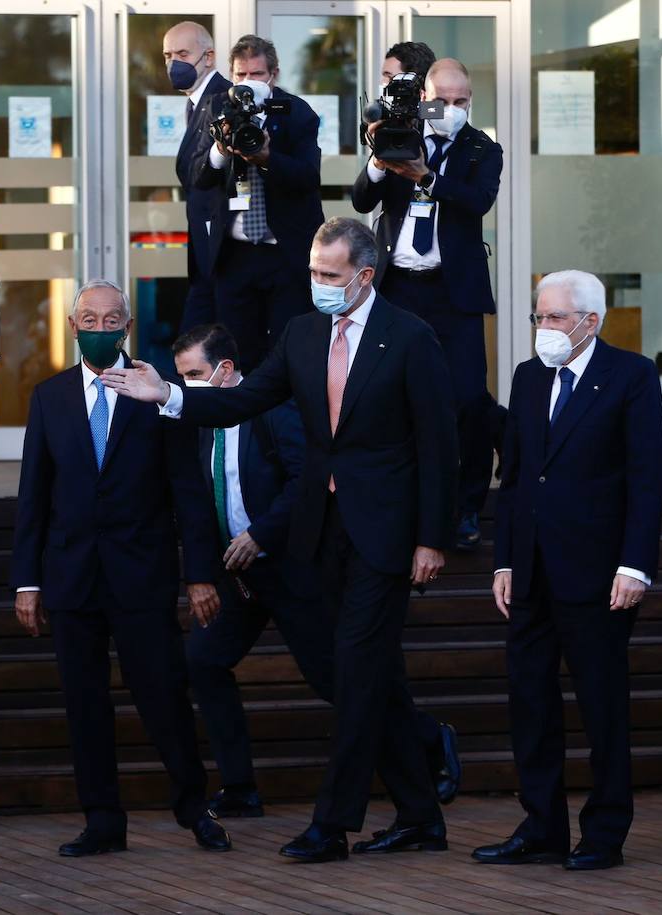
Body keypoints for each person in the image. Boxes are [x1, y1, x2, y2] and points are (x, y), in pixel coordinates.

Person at [104, 218, 458, 863]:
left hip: (385, 535)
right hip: (319, 535)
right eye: (313, 272)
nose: (317, 284)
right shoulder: (301, 332)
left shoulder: (409, 337)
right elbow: (246, 400)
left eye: (330, 275)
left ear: (364, 276)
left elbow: (440, 444)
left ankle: (333, 825)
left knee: (353, 675)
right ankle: (420, 814)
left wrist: (433, 538)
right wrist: (172, 397)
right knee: (371, 676)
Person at [173, 323, 462, 820]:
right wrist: (200, 573)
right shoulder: (197, 423)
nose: (186, 385)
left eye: (194, 374)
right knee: (202, 661)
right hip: (238, 577)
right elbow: (196, 500)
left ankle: (427, 738)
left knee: (337, 681)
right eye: (180, 376)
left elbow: (305, 480)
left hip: (290, 567)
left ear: (224, 370)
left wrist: (262, 534)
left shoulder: (270, 409)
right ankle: (240, 787)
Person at [10, 280, 232, 857]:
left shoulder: (157, 391)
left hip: (142, 575)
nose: (101, 328)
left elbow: (188, 490)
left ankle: (194, 807)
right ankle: (102, 820)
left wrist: (200, 572)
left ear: (127, 327)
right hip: (71, 579)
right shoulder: (49, 396)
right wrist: (26, 580)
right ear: (72, 325)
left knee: (164, 696)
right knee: (85, 705)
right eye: (90, 318)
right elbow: (34, 495)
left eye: (113, 320)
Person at [473, 271, 662, 872]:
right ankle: (542, 828)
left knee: (602, 708)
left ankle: (605, 832)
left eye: (555, 318)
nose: (544, 329)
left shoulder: (631, 376)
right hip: (530, 572)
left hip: (599, 574)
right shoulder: (529, 378)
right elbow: (515, 476)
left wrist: (635, 565)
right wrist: (504, 558)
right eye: (538, 317)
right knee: (530, 704)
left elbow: (647, 477)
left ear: (591, 321)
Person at [353, 58, 503, 552]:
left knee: (468, 401)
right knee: (395, 397)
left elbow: (477, 201)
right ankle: (405, 503)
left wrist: (427, 176)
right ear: (424, 98)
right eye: (446, 101)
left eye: (464, 102)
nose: (454, 111)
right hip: (400, 289)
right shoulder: (400, 133)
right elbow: (359, 199)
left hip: (453, 292)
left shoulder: (483, 148)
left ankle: (466, 507)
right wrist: (379, 157)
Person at [192, 35, 324, 369]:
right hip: (234, 254)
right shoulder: (217, 107)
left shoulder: (297, 112)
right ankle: (244, 419)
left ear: (274, 75)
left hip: (285, 252)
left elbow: (307, 177)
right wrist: (221, 150)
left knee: (288, 351)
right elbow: (199, 178)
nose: (248, 83)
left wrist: (266, 157)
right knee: (236, 353)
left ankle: (284, 420)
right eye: (241, 75)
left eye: (257, 75)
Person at [163, 21, 232, 332]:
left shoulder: (220, 100)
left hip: (222, 249)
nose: (173, 63)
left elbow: (200, 172)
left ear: (209, 57)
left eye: (182, 53)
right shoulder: (194, 102)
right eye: (167, 55)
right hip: (207, 247)